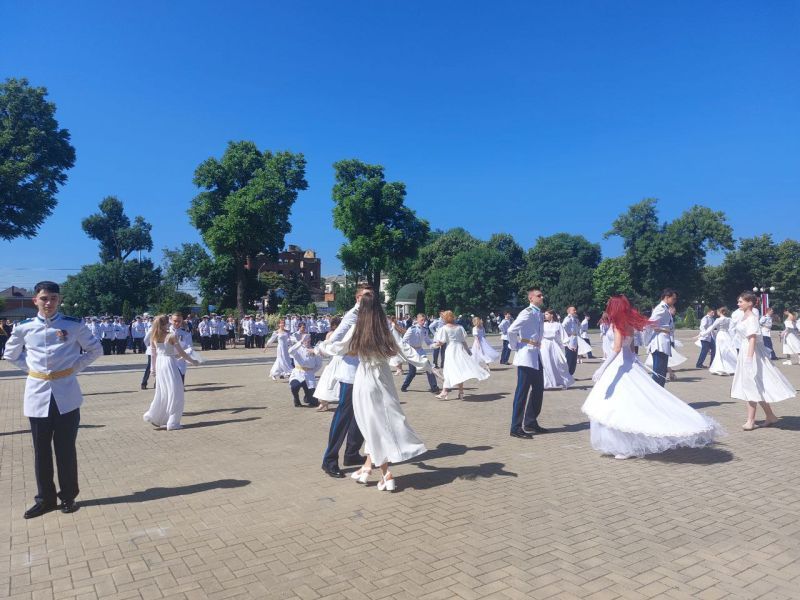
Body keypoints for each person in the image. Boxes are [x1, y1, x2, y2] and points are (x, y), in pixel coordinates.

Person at [4, 281, 103, 517]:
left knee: (65, 449)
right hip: (37, 396)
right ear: (35, 301)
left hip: (67, 395)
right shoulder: (23, 328)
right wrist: (31, 370)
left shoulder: (74, 324)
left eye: (53, 298)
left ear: (59, 300)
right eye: (44, 298)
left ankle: (68, 497)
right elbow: (10, 354)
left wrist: (72, 368)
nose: (49, 303)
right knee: (41, 451)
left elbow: (95, 350)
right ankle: (45, 499)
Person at [581, 295, 722, 459]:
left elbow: (618, 348)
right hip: (626, 365)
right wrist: (635, 362)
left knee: (619, 406)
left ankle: (626, 446)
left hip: (619, 366)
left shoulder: (619, 324)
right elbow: (632, 349)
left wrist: (602, 367)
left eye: (609, 305)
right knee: (621, 405)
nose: (607, 307)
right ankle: (618, 444)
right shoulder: (626, 323)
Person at [341, 291, 426, 492]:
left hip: (364, 379)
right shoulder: (386, 328)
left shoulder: (357, 327)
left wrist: (319, 348)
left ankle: (384, 473)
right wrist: (427, 365)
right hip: (383, 379)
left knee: (373, 426)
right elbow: (405, 350)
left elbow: (338, 345)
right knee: (381, 423)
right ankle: (368, 468)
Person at [319, 285, 370, 478]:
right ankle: (329, 460)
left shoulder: (371, 315)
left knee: (362, 414)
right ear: (357, 298)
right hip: (350, 373)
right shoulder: (351, 316)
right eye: (365, 296)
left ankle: (351, 453)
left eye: (370, 296)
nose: (368, 299)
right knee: (343, 416)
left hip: (366, 372)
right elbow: (335, 339)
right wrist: (347, 349)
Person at [732, 292, 796, 430]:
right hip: (745, 351)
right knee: (756, 385)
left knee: (751, 385)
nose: (738, 304)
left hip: (752, 353)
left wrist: (749, 359)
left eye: (741, 301)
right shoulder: (744, 316)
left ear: (750, 303)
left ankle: (750, 420)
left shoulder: (752, 318)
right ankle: (770, 416)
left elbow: (753, 338)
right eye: (738, 301)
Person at [143, 315, 199, 430]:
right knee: (176, 392)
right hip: (169, 363)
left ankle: (157, 416)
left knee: (163, 392)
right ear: (166, 324)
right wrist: (193, 361)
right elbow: (182, 353)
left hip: (160, 363)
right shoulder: (171, 336)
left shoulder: (154, 335)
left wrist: (153, 369)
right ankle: (173, 422)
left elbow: (153, 355)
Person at [507, 287, 548, 438]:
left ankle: (530, 421)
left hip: (536, 354)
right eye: (539, 295)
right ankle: (515, 427)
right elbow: (511, 330)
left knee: (538, 390)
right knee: (522, 392)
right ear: (531, 298)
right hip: (526, 355)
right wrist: (514, 346)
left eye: (541, 295)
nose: (542, 297)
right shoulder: (527, 312)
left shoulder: (538, 313)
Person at [434, 311, 489, 400]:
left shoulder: (444, 328)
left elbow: (441, 341)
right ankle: (460, 392)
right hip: (459, 349)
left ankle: (445, 391)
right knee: (459, 370)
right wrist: (468, 350)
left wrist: (434, 345)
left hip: (451, 350)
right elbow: (463, 341)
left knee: (448, 370)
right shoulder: (459, 327)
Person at [401, 314, 440, 393]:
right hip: (412, 353)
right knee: (412, 372)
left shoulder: (425, 330)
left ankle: (434, 387)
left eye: (424, 320)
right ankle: (404, 386)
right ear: (417, 319)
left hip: (421, 351)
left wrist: (436, 344)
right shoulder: (412, 329)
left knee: (428, 368)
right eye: (421, 320)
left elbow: (428, 342)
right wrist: (407, 351)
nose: (423, 321)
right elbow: (403, 341)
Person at [646, 289, 678, 387]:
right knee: (658, 372)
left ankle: (660, 395)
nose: (675, 301)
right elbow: (650, 323)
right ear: (666, 297)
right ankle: (655, 395)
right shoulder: (661, 308)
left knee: (662, 372)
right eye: (673, 299)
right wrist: (663, 329)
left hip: (664, 342)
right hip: (659, 343)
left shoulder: (665, 308)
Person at [313, 316, 343, 412]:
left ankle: (325, 402)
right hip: (335, 359)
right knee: (327, 380)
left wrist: (317, 351)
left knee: (329, 380)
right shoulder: (333, 334)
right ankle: (324, 402)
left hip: (338, 359)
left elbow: (325, 350)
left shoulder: (334, 334)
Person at [541, 309, 574, 390]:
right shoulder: (542, 324)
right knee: (545, 364)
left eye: (546, 314)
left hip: (554, 346)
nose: (545, 316)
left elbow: (564, 336)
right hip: (544, 346)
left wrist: (569, 345)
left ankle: (564, 382)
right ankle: (546, 384)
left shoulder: (558, 325)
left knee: (559, 363)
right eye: (545, 314)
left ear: (552, 315)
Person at [701, 307, 738, 376]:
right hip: (727, 335)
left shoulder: (718, 320)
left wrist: (703, 334)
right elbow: (732, 329)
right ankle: (730, 366)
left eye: (717, 312)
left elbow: (711, 328)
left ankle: (720, 368)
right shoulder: (729, 319)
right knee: (727, 350)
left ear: (720, 312)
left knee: (719, 351)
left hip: (720, 335)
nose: (716, 313)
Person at [287, 335, 322, 407]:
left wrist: (311, 371)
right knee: (294, 386)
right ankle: (296, 399)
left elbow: (319, 365)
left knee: (314, 402)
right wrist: (300, 342)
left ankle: (307, 397)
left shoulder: (314, 350)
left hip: (309, 375)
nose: (307, 341)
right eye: (305, 339)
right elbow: (290, 351)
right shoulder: (298, 349)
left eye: (309, 339)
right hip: (298, 373)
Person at [561, 306, 581, 375]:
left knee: (574, 360)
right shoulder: (568, 319)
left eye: (575, 310)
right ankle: (567, 375)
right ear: (569, 312)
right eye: (573, 310)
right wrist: (567, 335)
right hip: (570, 341)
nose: (575, 311)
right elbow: (562, 328)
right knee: (569, 359)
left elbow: (578, 329)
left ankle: (571, 374)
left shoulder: (575, 319)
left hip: (575, 341)